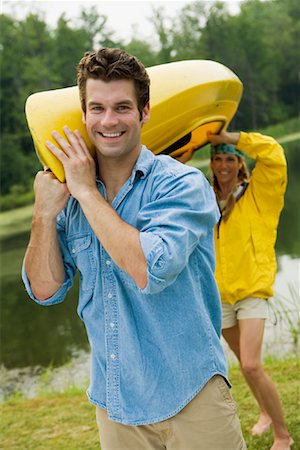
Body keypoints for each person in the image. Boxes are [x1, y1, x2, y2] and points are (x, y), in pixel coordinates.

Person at [22, 48, 247, 450]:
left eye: (122, 107)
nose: (109, 121)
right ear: (84, 114)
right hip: (116, 407)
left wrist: (87, 193)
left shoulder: (181, 185)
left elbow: (150, 269)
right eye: (97, 108)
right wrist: (43, 214)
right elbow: (44, 290)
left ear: (144, 113)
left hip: (192, 394)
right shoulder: (69, 202)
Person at [205, 130, 293, 450]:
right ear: (212, 162)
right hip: (220, 294)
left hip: (253, 289)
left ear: (240, 162)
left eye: (230, 158)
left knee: (252, 365)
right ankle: (265, 412)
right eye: (218, 158)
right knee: (245, 361)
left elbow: (273, 154)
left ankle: (283, 435)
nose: (224, 165)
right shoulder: (203, 197)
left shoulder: (259, 193)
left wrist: (233, 136)